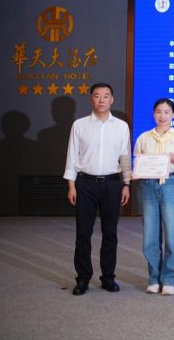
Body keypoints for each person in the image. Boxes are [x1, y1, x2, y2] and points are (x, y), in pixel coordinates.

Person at [64, 82, 131, 296]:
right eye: (97, 96)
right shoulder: (79, 125)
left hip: (112, 184)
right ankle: (83, 278)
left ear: (112, 99)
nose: (101, 100)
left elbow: (125, 156)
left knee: (110, 233)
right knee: (83, 233)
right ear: (91, 99)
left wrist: (126, 183)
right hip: (85, 184)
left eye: (106, 96)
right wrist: (71, 185)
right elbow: (72, 156)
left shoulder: (121, 126)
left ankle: (108, 277)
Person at [133, 98, 174, 296]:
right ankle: (154, 278)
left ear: (173, 114)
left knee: (172, 236)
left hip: (170, 184)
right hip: (148, 186)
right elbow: (137, 161)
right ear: (153, 114)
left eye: (166, 112)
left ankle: (169, 279)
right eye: (158, 111)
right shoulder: (144, 137)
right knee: (150, 236)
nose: (162, 116)